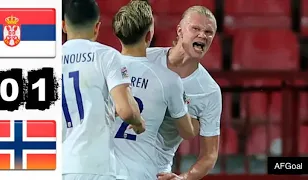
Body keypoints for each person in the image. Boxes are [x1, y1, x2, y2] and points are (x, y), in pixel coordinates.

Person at [111, 1, 199, 180]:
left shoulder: (103, 70)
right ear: (149, 35)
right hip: (142, 173)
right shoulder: (168, 79)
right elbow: (187, 132)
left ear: (118, 34)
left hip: (102, 171)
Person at [61, 0, 146, 179]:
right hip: (95, 167)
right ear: (97, 27)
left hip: (58, 165)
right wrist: (138, 123)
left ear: (63, 26)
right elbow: (126, 110)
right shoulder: (107, 56)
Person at [146, 6, 222, 180]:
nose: (203, 35)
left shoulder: (210, 91)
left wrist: (184, 178)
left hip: (156, 172)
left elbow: (209, 154)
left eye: (209, 32)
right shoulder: (146, 59)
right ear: (180, 30)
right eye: (196, 28)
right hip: (115, 164)